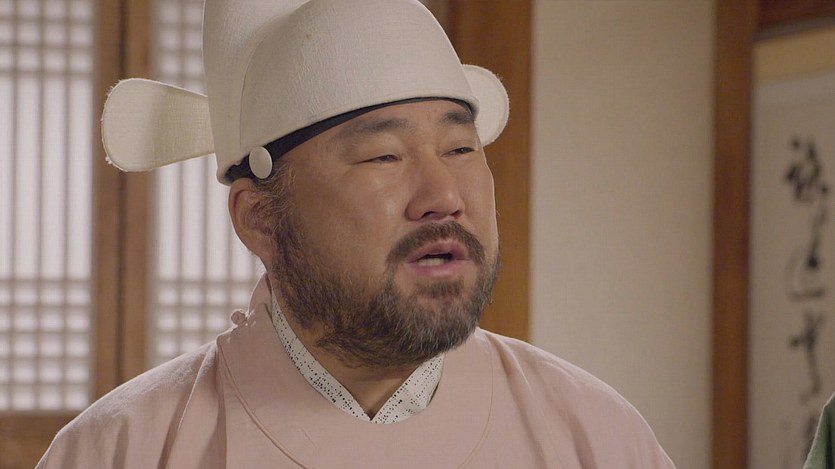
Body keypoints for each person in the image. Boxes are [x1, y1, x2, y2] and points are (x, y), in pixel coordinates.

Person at [38, 0, 675, 467]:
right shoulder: (124, 449)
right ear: (259, 218)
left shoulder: (595, 436)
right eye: (383, 156)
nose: (444, 197)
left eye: (460, 148)